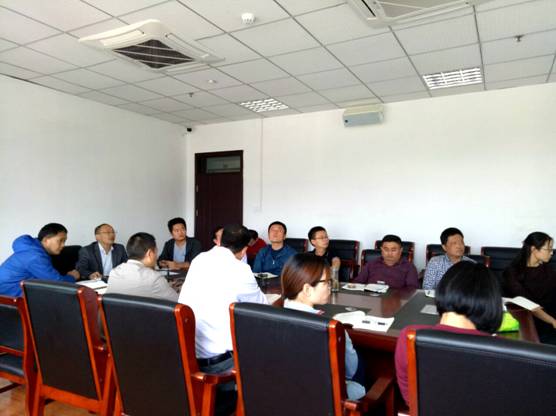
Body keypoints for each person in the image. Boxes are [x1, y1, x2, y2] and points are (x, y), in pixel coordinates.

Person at [395, 261, 503, 405]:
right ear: (492, 302)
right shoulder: (501, 348)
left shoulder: (410, 335)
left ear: (442, 291)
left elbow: (409, 397)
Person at [179, 224, 267, 376]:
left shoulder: (199, 259)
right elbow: (261, 309)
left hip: (190, 355)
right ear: (244, 250)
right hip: (220, 363)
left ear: (220, 240)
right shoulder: (240, 269)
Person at [281, 253, 365, 400]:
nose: (330, 286)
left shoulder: (266, 316)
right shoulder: (331, 327)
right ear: (307, 289)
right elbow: (350, 371)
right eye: (327, 282)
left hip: (281, 392)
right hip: (322, 398)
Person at [503, 232, 556, 344]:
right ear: (534, 249)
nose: (551, 253)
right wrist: (552, 321)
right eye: (549, 249)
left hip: (549, 321)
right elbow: (528, 304)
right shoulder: (512, 272)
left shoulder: (549, 270)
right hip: (527, 323)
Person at [0, 223, 79, 297]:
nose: (63, 245)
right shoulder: (35, 256)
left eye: (64, 241)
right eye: (60, 240)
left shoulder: (32, 249)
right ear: (46, 240)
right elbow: (56, 283)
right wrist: (72, 276)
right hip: (9, 296)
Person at [106, 232, 178, 301]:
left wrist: (165, 286)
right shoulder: (154, 278)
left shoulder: (114, 272)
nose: (156, 256)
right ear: (149, 254)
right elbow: (179, 302)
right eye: (156, 252)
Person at [353, 234, 418, 288]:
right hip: (371, 297)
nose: (389, 253)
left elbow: (411, 291)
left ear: (400, 250)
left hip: (395, 298)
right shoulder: (371, 264)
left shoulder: (409, 267)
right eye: (386, 249)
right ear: (381, 249)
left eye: (393, 250)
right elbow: (357, 283)